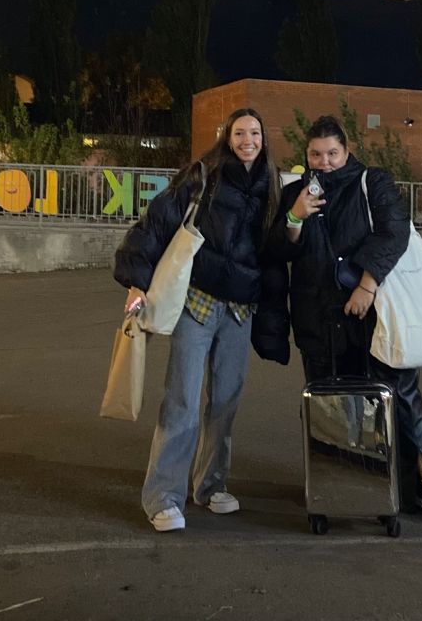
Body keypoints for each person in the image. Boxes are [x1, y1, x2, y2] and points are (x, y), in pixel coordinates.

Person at [268, 115, 422, 523]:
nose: (324, 162)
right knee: (331, 406)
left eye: (332, 153)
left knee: (400, 395)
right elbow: (279, 251)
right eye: (316, 154)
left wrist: (367, 285)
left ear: (347, 149)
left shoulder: (373, 182)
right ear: (306, 154)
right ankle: (338, 483)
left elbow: (394, 231)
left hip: (373, 313)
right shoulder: (295, 193)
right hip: (317, 315)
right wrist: (295, 217)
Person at [113, 108, 280, 532]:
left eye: (255, 133)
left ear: (264, 138)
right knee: (183, 400)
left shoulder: (273, 184)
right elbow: (157, 221)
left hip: (240, 309)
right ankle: (163, 498)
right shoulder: (204, 175)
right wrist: (136, 281)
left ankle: (211, 485)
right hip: (198, 302)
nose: (248, 140)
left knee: (225, 401)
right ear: (228, 137)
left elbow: (281, 244)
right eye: (240, 133)